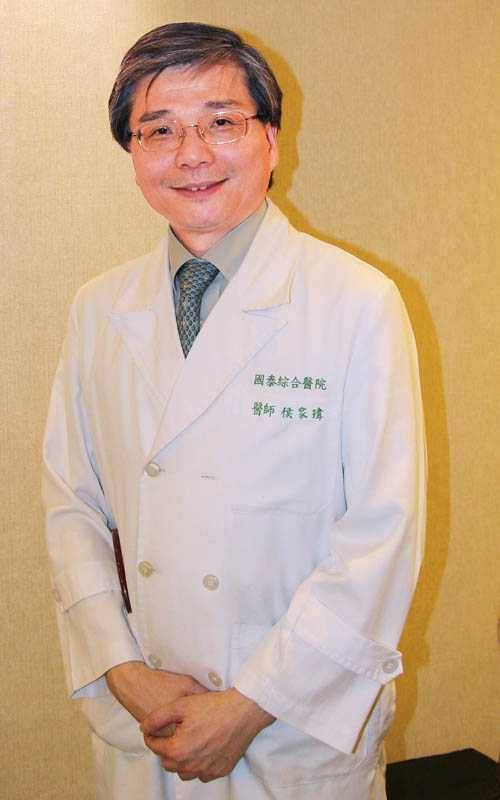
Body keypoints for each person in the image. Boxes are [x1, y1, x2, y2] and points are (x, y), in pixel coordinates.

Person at [43, 21, 426, 800]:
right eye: (159, 130)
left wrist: (249, 706)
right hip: (147, 719)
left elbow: (381, 537)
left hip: (291, 730)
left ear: (272, 140)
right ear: (133, 153)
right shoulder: (97, 309)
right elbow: (71, 505)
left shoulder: (357, 302)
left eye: (221, 121)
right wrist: (122, 669)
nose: (191, 154)